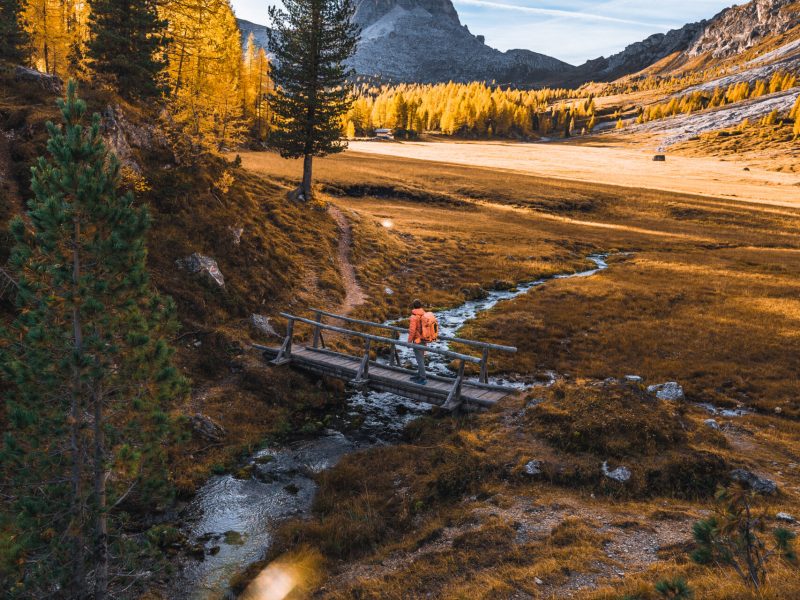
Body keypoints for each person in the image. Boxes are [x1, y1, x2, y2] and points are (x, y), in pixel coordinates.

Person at [408, 299, 428, 385]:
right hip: (424, 339)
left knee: (419, 359)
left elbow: (412, 331)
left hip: (417, 340)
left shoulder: (413, 317)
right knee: (421, 358)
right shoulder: (424, 314)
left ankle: (423, 378)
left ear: (413, 306)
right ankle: (419, 375)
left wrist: (409, 341)